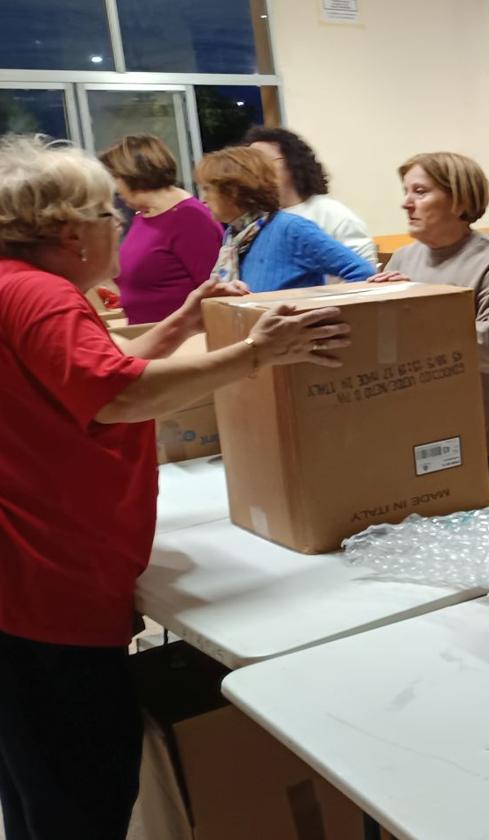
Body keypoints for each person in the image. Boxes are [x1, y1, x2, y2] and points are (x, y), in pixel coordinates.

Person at [0, 135, 350, 840]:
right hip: (47, 589)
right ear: (72, 232)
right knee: (82, 787)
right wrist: (257, 352)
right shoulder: (39, 295)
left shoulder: (16, 286)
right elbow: (115, 395)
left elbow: (94, 372)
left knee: (33, 778)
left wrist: (186, 321)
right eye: (111, 218)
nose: (120, 231)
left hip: (26, 584)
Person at [368, 152, 489, 503]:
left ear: (459, 200)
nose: (406, 203)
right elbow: (389, 346)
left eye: (420, 191)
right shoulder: (403, 259)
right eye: (406, 191)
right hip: (420, 426)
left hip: (486, 433)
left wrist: (415, 309)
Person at [195, 146, 375, 292]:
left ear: (233, 191)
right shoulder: (234, 238)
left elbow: (362, 272)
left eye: (207, 189)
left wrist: (323, 315)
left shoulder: (291, 229)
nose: (202, 199)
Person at [98, 134, 222, 324]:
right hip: (148, 336)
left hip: (185, 340)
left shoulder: (190, 218)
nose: (114, 188)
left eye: (114, 177)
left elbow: (215, 292)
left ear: (132, 174)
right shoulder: (144, 215)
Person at [245, 126, 378, 266]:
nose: (254, 171)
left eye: (263, 162)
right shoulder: (255, 220)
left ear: (293, 163)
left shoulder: (331, 214)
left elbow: (365, 270)